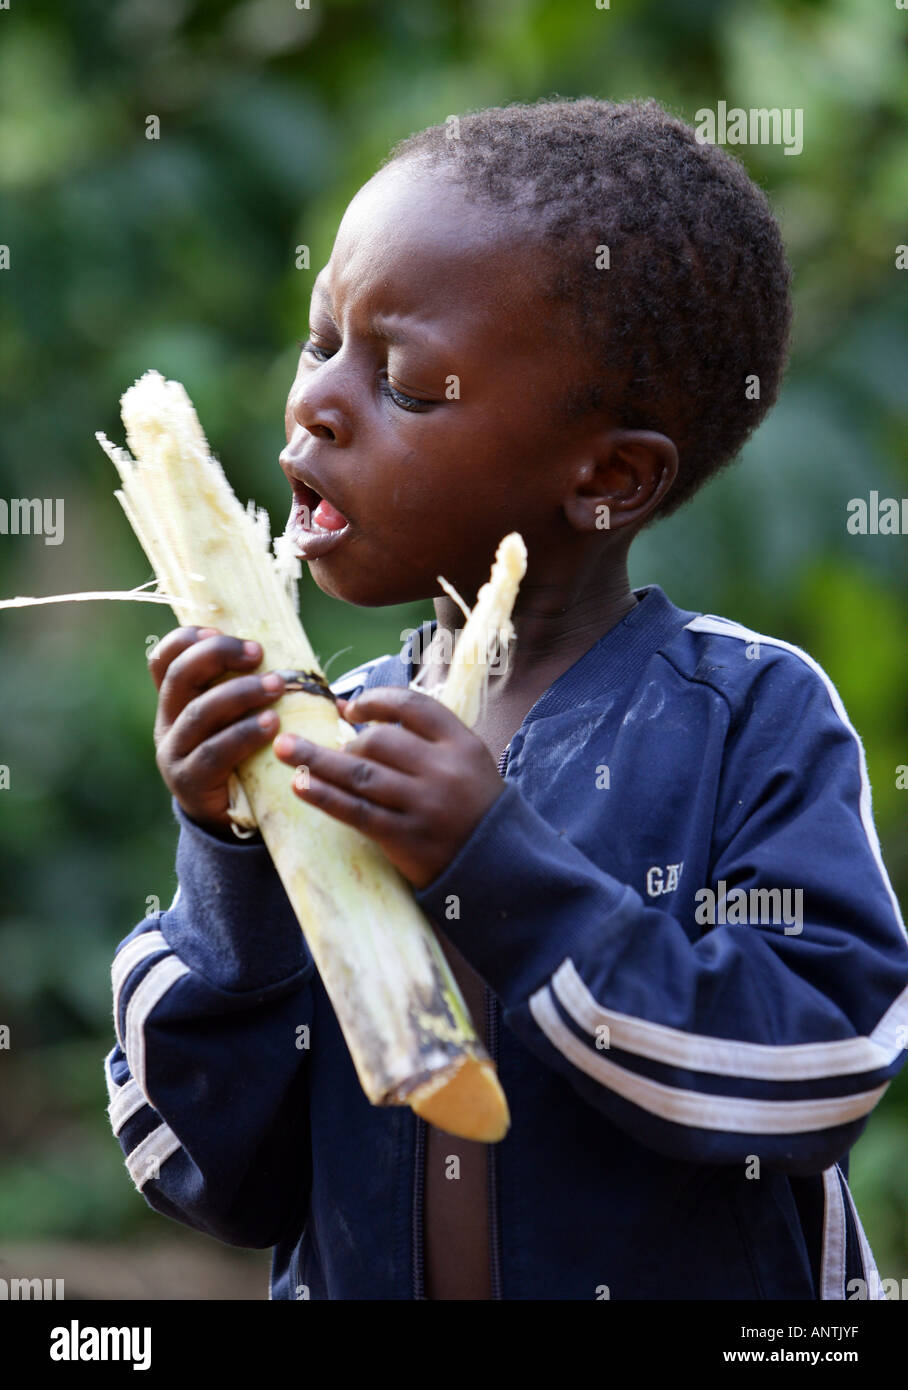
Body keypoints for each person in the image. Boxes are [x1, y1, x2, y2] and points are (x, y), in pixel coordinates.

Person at [105, 97, 908, 1299]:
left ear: (608, 478)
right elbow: (208, 1169)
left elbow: (818, 1068)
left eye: (407, 384)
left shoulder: (744, 717)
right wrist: (228, 851)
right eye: (323, 339)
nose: (317, 401)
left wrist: (497, 869)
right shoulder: (325, 730)